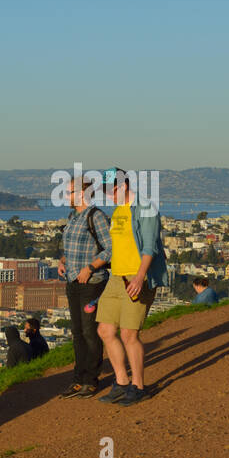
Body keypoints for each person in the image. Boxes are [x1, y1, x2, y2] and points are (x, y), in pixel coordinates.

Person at [96, 168, 168, 405]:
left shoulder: (145, 208)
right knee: (105, 331)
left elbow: (150, 247)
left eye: (111, 190)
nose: (108, 195)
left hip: (137, 277)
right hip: (116, 277)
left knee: (129, 334)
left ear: (124, 186)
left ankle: (138, 386)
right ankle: (121, 382)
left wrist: (140, 277)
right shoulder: (118, 211)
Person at [57, 174, 112, 398]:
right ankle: (78, 378)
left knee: (90, 332)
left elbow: (110, 249)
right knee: (78, 332)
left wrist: (90, 268)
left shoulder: (96, 216)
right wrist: (63, 261)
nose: (67, 196)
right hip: (72, 281)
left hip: (92, 283)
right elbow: (70, 247)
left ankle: (91, 379)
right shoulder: (73, 216)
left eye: (70, 192)